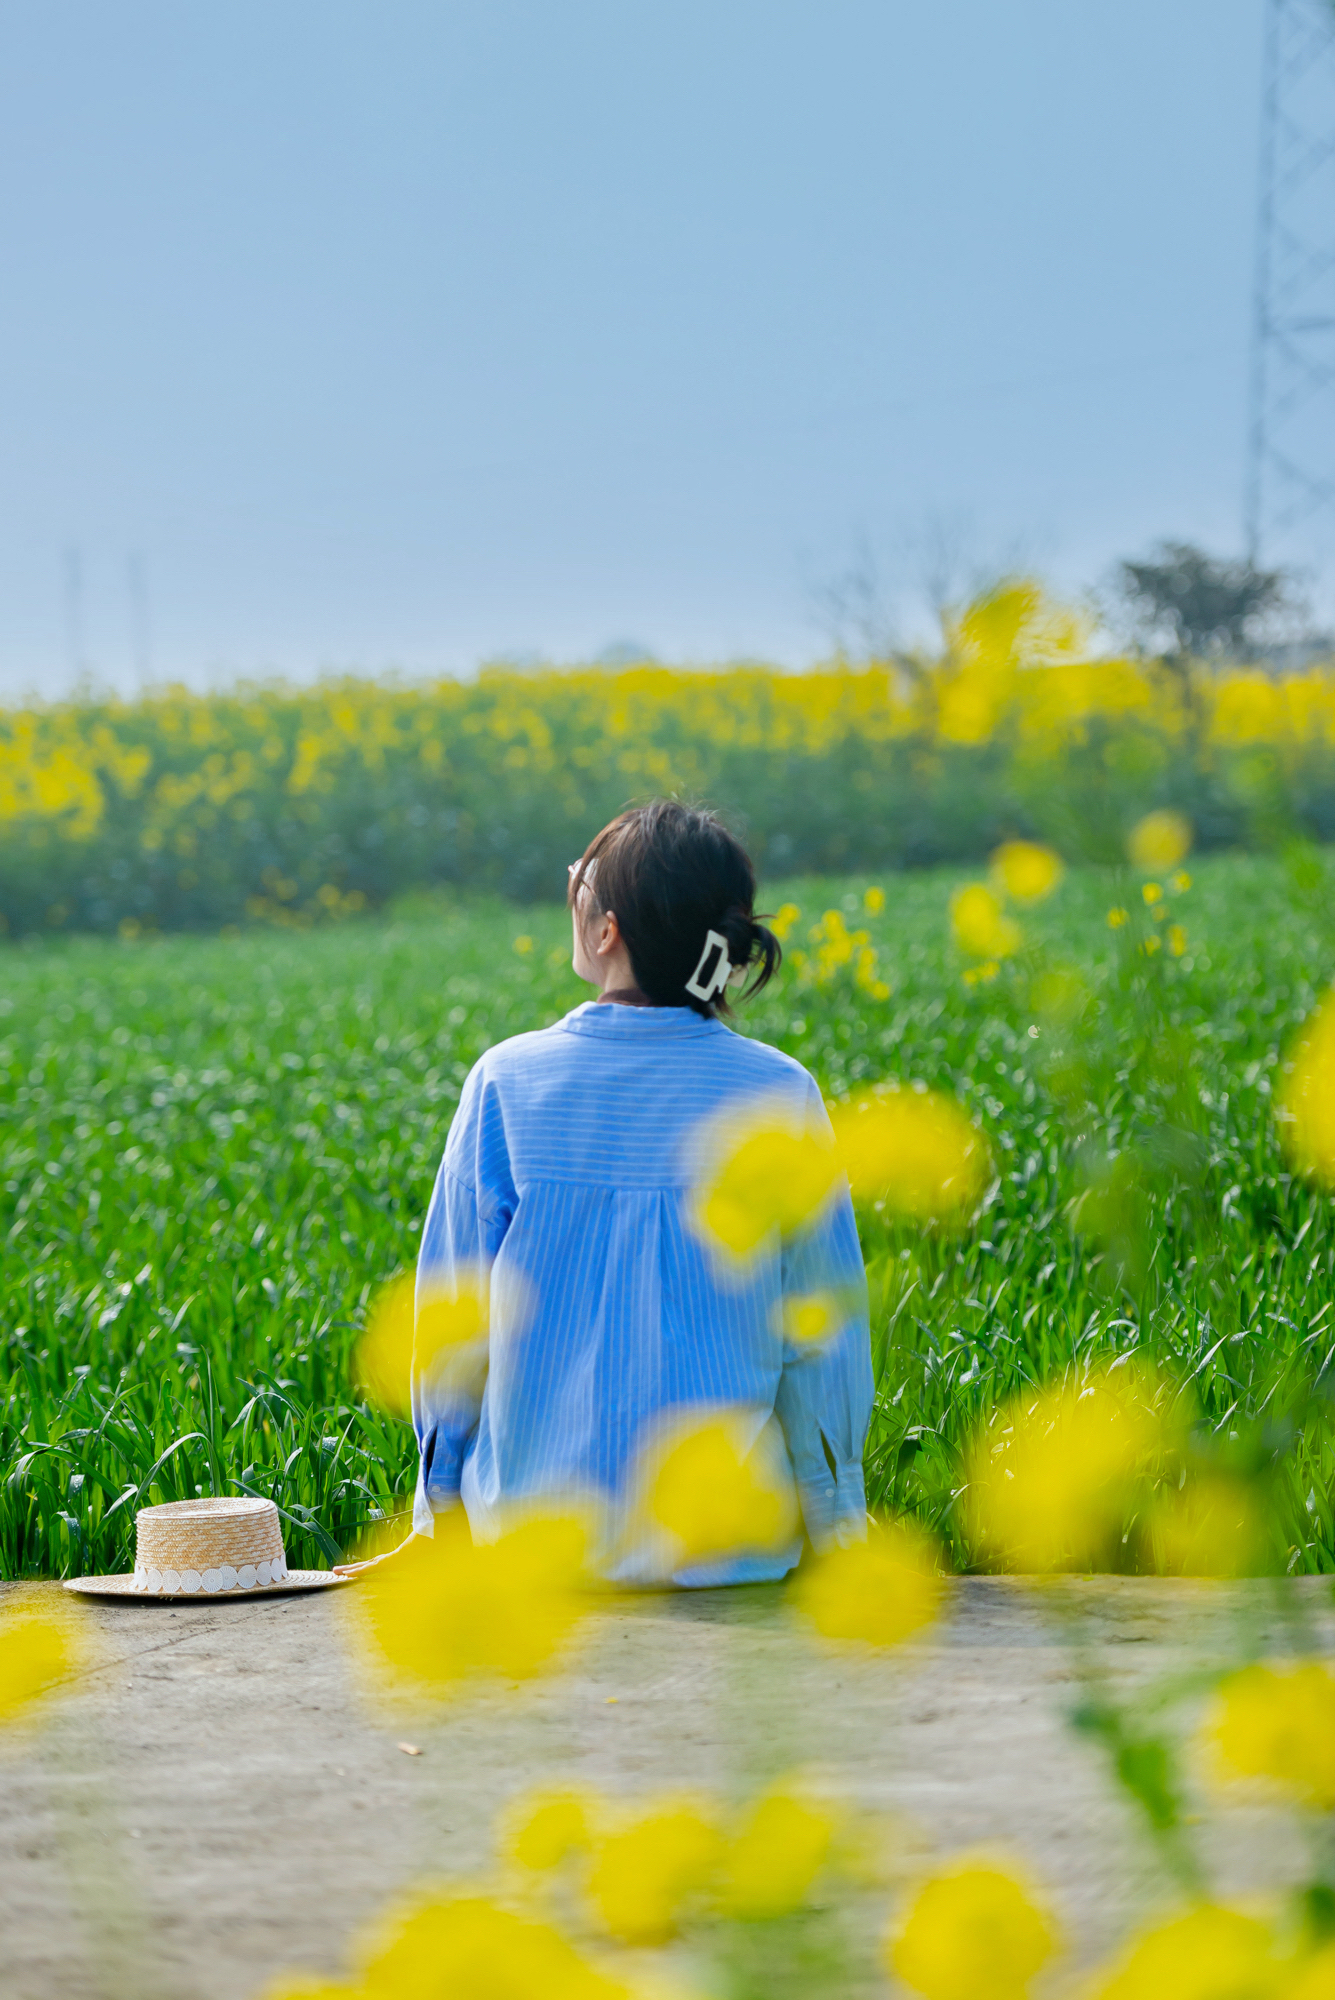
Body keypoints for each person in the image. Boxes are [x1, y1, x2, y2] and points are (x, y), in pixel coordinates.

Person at [385, 800, 871, 1585]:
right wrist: (839, 1525)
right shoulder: (779, 1094)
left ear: (605, 930)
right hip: (725, 1556)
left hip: (535, 1558)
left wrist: (435, 1505)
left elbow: (454, 1322)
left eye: (577, 881)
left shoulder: (508, 1083)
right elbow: (821, 1336)